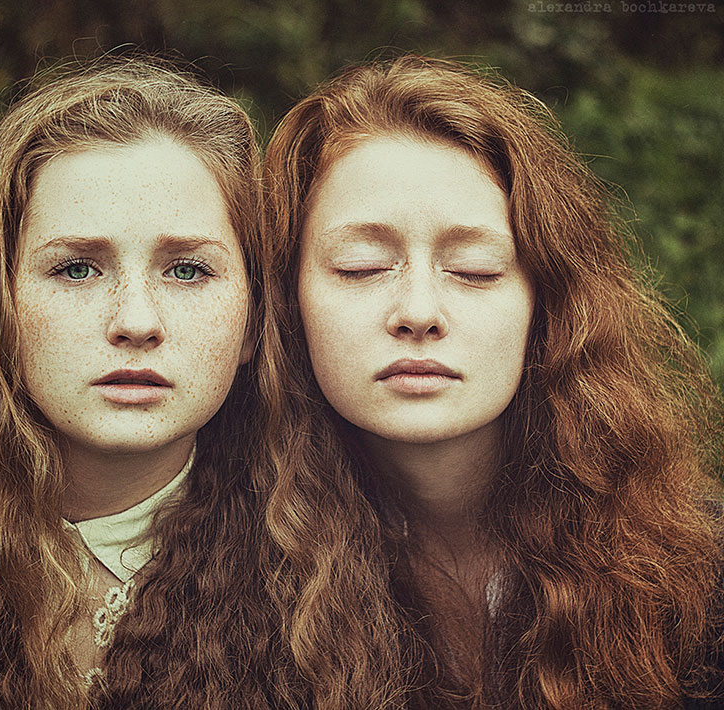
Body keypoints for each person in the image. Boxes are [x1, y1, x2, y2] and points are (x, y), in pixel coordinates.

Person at [262, 55, 724, 708]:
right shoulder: (229, 582)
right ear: (286, 301)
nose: (418, 312)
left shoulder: (699, 576)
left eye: (474, 270)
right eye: (362, 267)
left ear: (548, 304)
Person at [0, 58, 286, 709]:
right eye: (78, 269)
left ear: (253, 321)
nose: (136, 321)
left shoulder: (324, 582)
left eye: (187, 270)